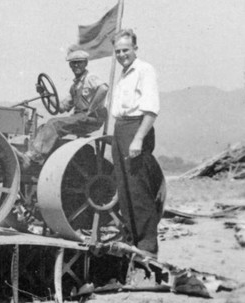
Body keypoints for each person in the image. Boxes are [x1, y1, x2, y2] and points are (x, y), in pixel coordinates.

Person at [109, 29, 165, 257]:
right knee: (124, 191)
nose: (122, 54)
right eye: (118, 51)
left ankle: (147, 249)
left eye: (126, 50)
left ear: (135, 49)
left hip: (136, 127)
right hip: (120, 128)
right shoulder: (123, 74)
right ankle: (132, 242)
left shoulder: (144, 70)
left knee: (139, 191)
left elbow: (151, 110)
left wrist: (138, 139)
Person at [18, 47, 109, 169]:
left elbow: (103, 89)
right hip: (80, 117)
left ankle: (33, 156)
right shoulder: (75, 87)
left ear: (86, 63)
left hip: (92, 118)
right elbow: (61, 107)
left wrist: (91, 109)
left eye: (79, 62)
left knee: (54, 124)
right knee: (43, 127)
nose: (76, 65)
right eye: (73, 63)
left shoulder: (90, 78)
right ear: (70, 65)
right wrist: (44, 93)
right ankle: (39, 160)